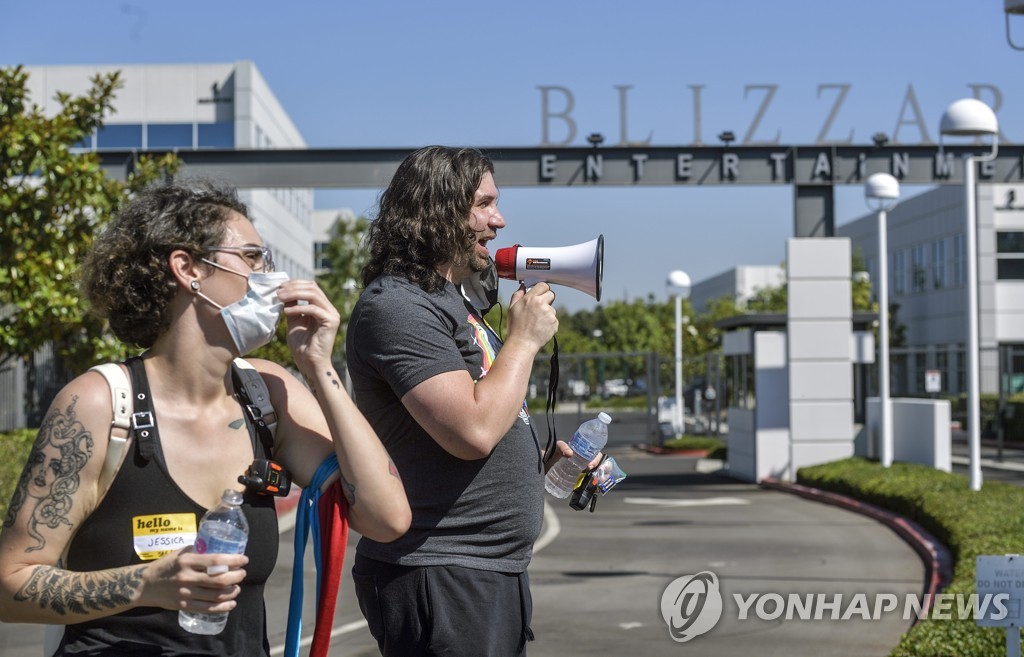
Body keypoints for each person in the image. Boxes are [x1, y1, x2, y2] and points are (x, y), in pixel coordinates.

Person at [0, 179, 411, 656]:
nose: (271, 277)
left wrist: (319, 367)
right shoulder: (98, 404)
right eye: (254, 258)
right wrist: (147, 583)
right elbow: (10, 583)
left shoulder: (268, 393)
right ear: (188, 268)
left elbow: (387, 518)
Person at [346, 146, 587, 656]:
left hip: (480, 569)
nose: (499, 221)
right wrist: (522, 342)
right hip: (440, 570)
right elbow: (471, 432)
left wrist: (536, 466)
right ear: (435, 208)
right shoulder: (398, 305)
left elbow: (484, 418)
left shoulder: (455, 304)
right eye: (484, 204)